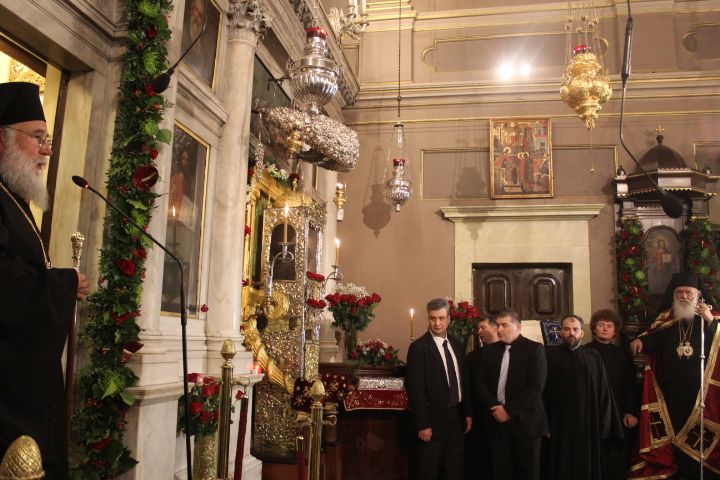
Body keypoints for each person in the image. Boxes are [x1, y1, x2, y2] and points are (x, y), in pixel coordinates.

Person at [0, 82, 90, 479]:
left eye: (48, 140)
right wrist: (62, 285)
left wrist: (58, 284)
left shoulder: (14, 199)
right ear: (1, 139)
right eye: (38, 138)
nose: (48, 151)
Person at [629, 272, 720, 479]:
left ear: (698, 295)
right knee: (675, 431)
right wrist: (642, 341)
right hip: (672, 390)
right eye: (680, 292)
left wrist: (709, 319)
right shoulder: (668, 319)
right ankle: (677, 472)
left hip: (702, 392)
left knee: (699, 433)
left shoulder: (709, 318)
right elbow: (656, 339)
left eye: (688, 292)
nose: (684, 296)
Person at [543, 315, 624, 480]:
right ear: (560, 332)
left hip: (588, 425)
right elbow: (542, 393)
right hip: (559, 425)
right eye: (567, 329)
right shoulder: (549, 355)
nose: (571, 333)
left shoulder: (593, 356)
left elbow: (604, 392)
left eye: (575, 329)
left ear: (582, 333)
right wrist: (544, 424)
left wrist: (604, 424)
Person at [473, 309, 548, 480]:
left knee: (527, 473)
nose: (499, 329)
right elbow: (480, 383)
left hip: (526, 424)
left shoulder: (534, 349)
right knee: (500, 472)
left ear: (518, 327)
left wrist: (508, 410)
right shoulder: (489, 351)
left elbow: (536, 387)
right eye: (498, 325)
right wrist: (495, 407)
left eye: (505, 325)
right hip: (497, 423)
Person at [406, 298, 473, 480]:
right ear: (428, 318)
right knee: (428, 472)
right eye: (432, 318)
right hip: (432, 422)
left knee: (454, 471)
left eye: (441, 318)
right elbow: (416, 389)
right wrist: (423, 424)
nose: (437, 323)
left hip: (457, 419)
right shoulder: (418, 347)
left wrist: (467, 413)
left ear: (449, 319)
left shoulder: (457, 344)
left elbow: (464, 381)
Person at [585, 309, 638, 480]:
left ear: (615, 331)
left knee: (617, 458)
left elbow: (630, 385)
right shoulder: (584, 352)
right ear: (594, 328)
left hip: (619, 411)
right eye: (601, 325)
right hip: (593, 412)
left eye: (609, 326)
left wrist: (630, 412)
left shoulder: (622, 354)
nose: (605, 329)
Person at [466, 314, 499, 480]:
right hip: (480, 416)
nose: (478, 331)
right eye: (477, 328)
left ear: (495, 328)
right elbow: (469, 387)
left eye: (483, 327)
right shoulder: (473, 356)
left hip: (505, 415)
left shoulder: (509, 352)